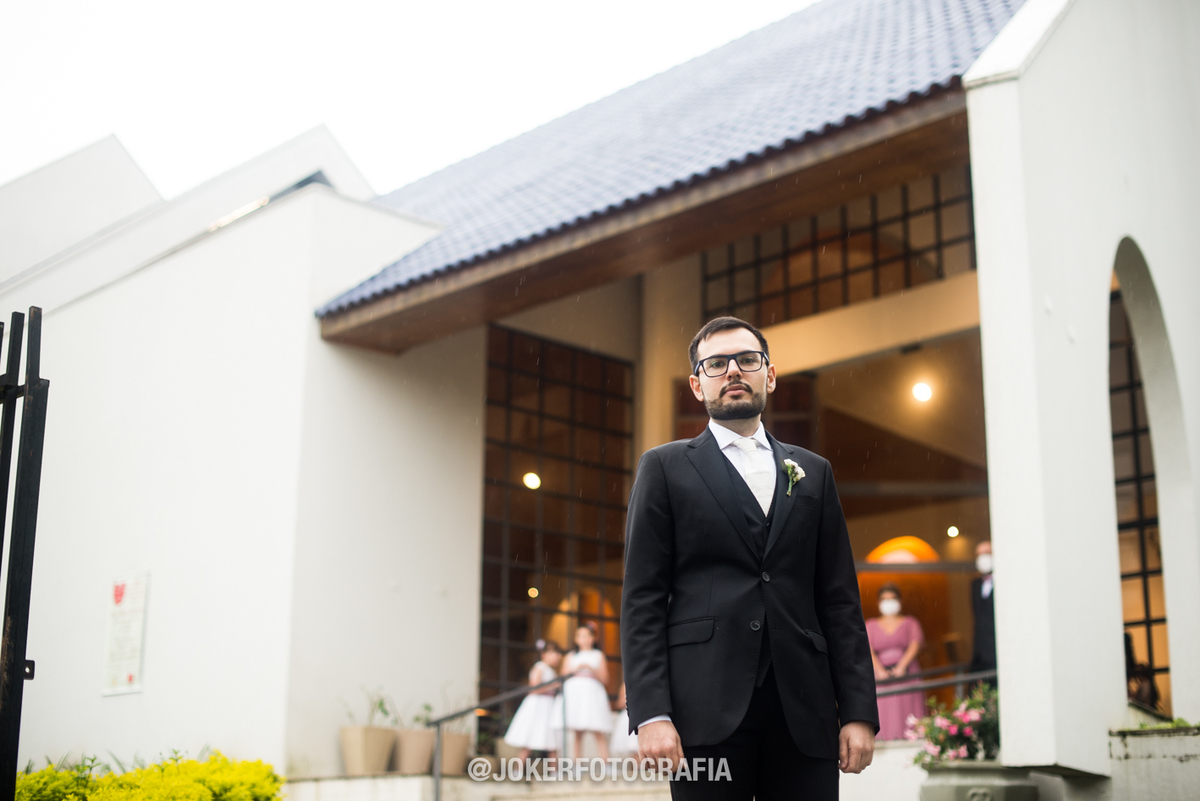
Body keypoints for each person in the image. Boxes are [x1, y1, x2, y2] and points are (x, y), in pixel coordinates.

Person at [622, 316, 878, 801]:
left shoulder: (814, 473)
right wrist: (652, 714)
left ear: (771, 374)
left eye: (747, 360)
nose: (733, 371)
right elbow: (643, 599)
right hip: (702, 711)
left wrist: (860, 710)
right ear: (698, 385)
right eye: (716, 364)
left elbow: (840, 600)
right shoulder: (664, 467)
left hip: (805, 709)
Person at [866, 583, 925, 739]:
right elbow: (868, 650)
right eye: (884, 599)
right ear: (878, 602)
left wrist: (901, 667)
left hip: (906, 672)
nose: (888, 602)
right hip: (880, 676)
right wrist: (879, 670)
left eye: (892, 598)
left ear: (900, 601)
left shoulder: (910, 622)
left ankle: (911, 737)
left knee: (906, 708)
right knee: (883, 710)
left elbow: (915, 644)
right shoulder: (870, 625)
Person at [553, 622, 612, 758]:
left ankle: (606, 762)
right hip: (576, 694)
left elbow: (605, 679)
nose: (583, 639)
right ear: (576, 639)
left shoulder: (598, 655)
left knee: (598, 729)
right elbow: (563, 676)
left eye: (586, 635)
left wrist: (591, 669)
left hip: (592, 693)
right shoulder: (571, 656)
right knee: (578, 731)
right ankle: (576, 763)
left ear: (593, 638)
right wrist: (576, 669)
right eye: (580, 636)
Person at [503, 639, 563, 758]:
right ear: (544, 654)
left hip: (549, 705)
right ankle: (517, 771)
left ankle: (554, 773)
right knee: (530, 738)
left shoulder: (551, 670)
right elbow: (533, 688)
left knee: (552, 741)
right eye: (553, 653)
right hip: (538, 706)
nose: (557, 657)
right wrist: (552, 686)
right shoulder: (539, 667)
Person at [969, 540, 996, 682]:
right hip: (979, 655)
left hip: (997, 653)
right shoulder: (975, 585)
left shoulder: (1005, 582)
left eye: (986, 554)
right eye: (978, 555)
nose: (982, 558)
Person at [610, 683, 640, 756]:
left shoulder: (625, 685)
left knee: (636, 745)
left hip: (633, 716)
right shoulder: (625, 686)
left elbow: (620, 703)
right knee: (634, 747)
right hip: (631, 715)